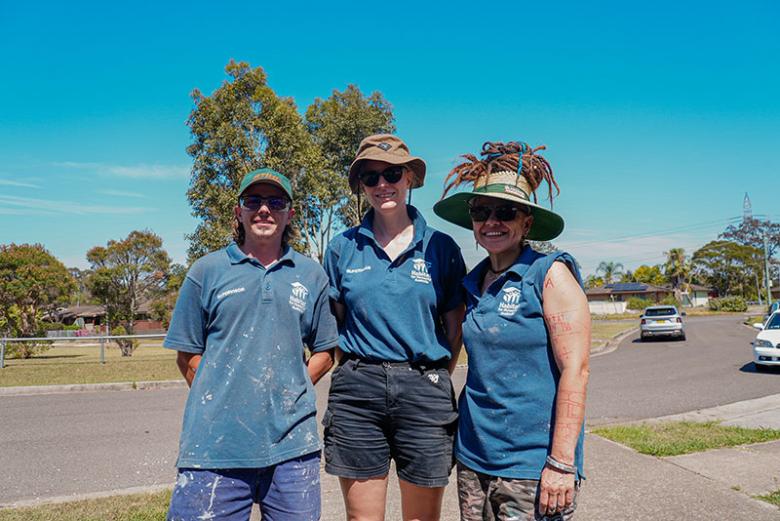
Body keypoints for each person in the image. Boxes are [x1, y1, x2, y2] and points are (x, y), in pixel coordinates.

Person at [164, 168, 338, 521]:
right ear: (238, 211)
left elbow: (326, 350)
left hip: (293, 449)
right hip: (214, 449)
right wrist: (220, 396)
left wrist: (295, 388)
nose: (264, 210)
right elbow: (187, 355)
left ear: (290, 213)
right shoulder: (206, 271)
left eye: (275, 202)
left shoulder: (310, 274)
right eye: (253, 201)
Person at [433, 141, 591, 520]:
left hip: (532, 467)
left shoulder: (549, 274)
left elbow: (577, 369)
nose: (491, 222)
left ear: (527, 222)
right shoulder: (471, 283)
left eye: (505, 212)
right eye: (481, 211)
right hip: (473, 459)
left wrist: (562, 463)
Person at [322, 134, 467, 521]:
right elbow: (336, 322)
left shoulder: (442, 248)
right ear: (362, 186)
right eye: (371, 177)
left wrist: (431, 378)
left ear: (409, 179)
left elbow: (455, 329)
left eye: (391, 173)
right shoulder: (341, 248)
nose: (382, 184)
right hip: (357, 392)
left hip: (424, 389)